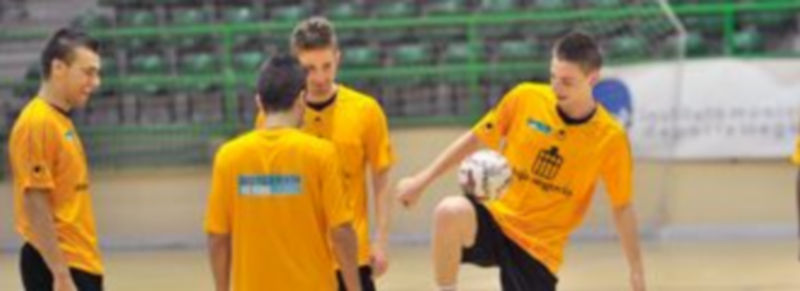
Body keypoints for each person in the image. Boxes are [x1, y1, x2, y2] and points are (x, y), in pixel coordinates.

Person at [396, 32, 646, 291]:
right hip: (496, 218)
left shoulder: (610, 138)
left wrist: (636, 270)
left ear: (592, 79)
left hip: (539, 247)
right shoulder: (526, 97)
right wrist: (421, 180)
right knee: (448, 212)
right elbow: (476, 138)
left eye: (567, 82)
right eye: (553, 77)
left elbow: (622, 207)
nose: (557, 88)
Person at [254, 17, 395, 291]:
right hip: (297, 257)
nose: (320, 78)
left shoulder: (366, 110)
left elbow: (382, 179)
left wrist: (381, 240)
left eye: (327, 66)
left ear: (338, 59)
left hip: (352, 256)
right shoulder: (272, 116)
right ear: (295, 67)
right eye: (309, 69)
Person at [205, 55, 360, 291]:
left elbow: (217, 237)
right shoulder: (321, 154)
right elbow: (341, 231)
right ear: (301, 98)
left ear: (259, 102)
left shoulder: (228, 157)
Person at [9, 27, 103, 291]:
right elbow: (35, 201)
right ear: (58, 68)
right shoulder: (37, 123)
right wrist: (60, 274)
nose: (96, 82)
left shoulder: (58, 120)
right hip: (60, 266)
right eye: (88, 72)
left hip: (79, 261)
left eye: (96, 73)